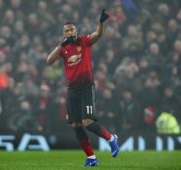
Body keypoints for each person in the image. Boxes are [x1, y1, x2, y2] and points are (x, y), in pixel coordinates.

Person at [47, 9, 119, 167]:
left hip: (86, 86)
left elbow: (97, 34)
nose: (70, 32)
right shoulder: (63, 48)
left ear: (76, 30)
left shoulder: (83, 41)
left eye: (72, 29)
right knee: (76, 125)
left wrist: (100, 23)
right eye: (66, 30)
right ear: (64, 34)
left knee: (87, 122)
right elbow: (49, 61)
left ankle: (111, 138)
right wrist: (61, 46)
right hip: (72, 90)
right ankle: (92, 158)